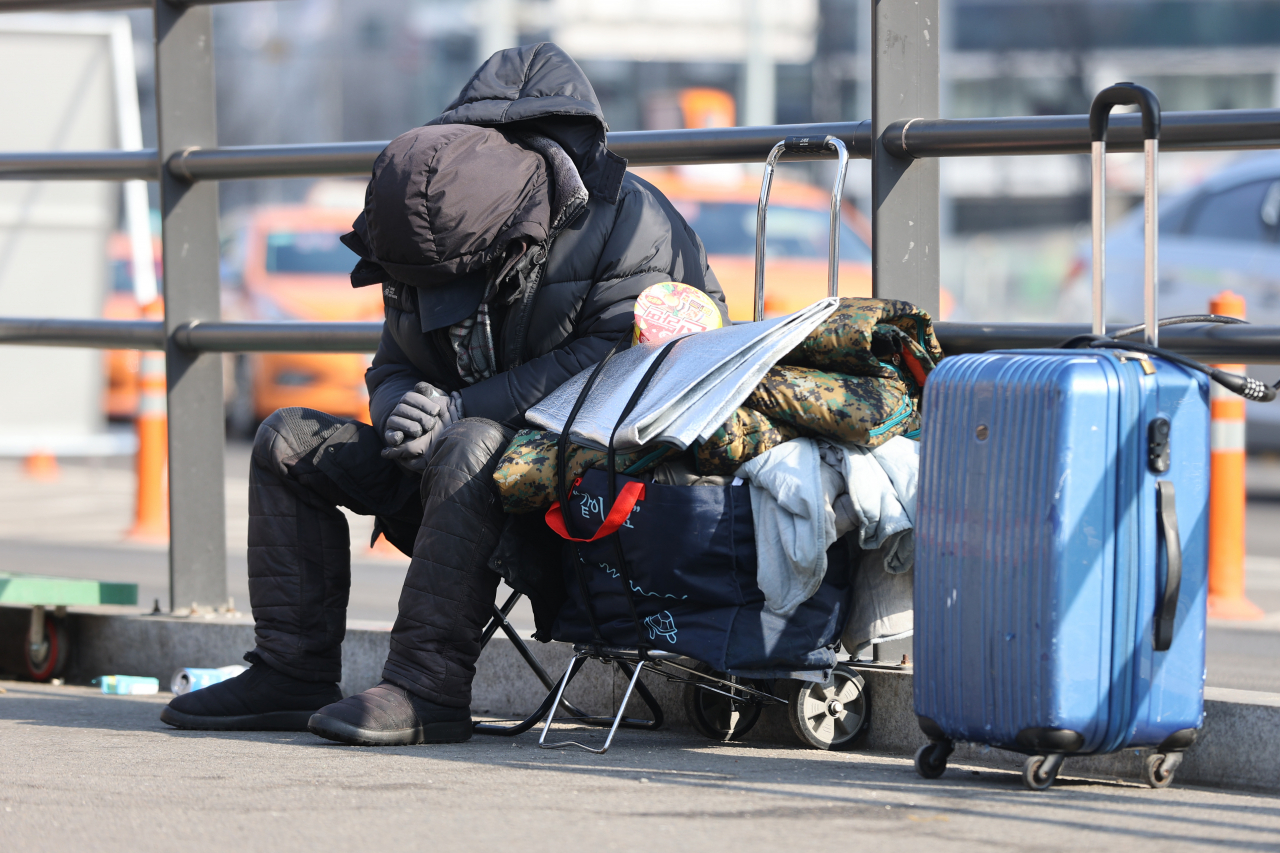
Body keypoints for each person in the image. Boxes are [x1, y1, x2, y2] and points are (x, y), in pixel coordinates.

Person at [159, 43, 727, 746]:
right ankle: (291, 671)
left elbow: (622, 367)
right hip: (449, 481)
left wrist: (463, 408)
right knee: (286, 439)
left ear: (513, 234)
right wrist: (397, 408)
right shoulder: (432, 208)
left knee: (472, 440)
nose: (438, 302)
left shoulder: (635, 224)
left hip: (584, 501)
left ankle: (427, 686)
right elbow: (392, 362)